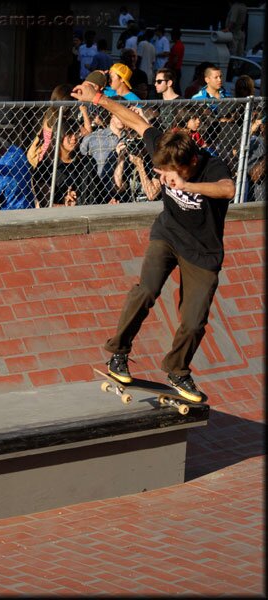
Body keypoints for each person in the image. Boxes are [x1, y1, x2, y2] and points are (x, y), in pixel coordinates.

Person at [71, 80, 235, 401]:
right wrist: (98, 98)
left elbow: (228, 189)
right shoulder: (166, 146)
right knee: (145, 290)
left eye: (170, 173)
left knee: (193, 320)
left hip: (202, 253)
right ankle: (118, 352)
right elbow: (136, 121)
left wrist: (189, 187)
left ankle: (177, 370)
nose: (164, 178)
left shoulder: (211, 167)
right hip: (168, 234)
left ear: (189, 165)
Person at [33, 119, 104, 207]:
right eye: (69, 134)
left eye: (77, 133)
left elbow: (99, 191)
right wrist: (65, 203)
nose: (74, 138)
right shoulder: (46, 166)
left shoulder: (86, 162)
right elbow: (45, 203)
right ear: (59, 136)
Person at [80, 112, 127, 198]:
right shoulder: (92, 138)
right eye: (118, 114)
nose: (121, 118)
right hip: (98, 194)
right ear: (111, 114)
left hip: (126, 192)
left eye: (124, 114)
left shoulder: (132, 139)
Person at [165, 28, 185, 96]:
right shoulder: (180, 45)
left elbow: (175, 60)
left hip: (174, 70)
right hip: (177, 69)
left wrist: (169, 67)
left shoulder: (177, 46)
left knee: (175, 88)